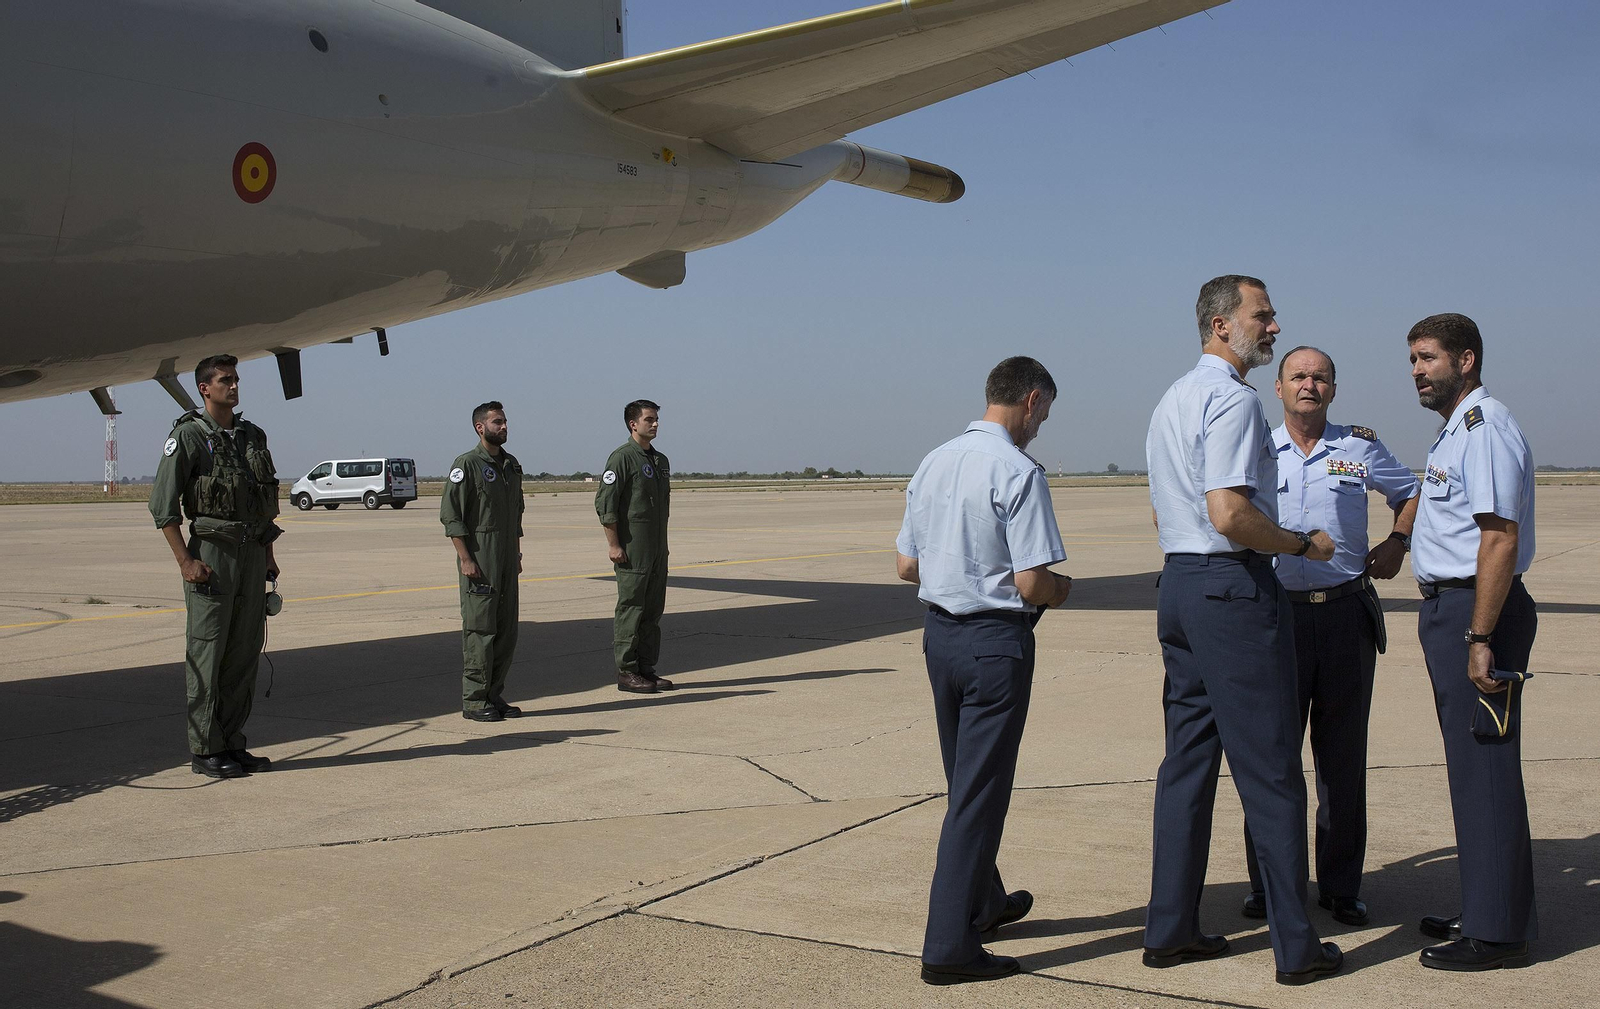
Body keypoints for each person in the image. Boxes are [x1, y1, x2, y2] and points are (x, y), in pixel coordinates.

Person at [1143, 276, 1343, 985]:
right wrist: (1297, 544)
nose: (1274, 326)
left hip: (1181, 584)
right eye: (1263, 316)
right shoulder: (1230, 398)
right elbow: (1229, 512)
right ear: (1223, 325)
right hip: (1229, 586)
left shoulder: (1173, 397)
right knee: (1273, 770)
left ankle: (1169, 927)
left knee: (1188, 763)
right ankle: (1297, 946)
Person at [896, 356, 1072, 986]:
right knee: (978, 798)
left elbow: (907, 567)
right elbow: (1031, 580)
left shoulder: (934, 461)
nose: (1040, 427)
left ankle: (984, 902)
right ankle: (948, 947)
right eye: (1043, 414)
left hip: (939, 639)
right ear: (1029, 400)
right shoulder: (1017, 470)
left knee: (963, 782)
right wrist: (1062, 589)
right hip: (995, 643)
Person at [1236, 346, 1420, 926]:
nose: (1308, 385)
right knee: (1272, 759)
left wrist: (1397, 542)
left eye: (1319, 377)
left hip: (1344, 617)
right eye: (1297, 376)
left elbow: (1411, 491)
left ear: (1333, 390)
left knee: (1342, 759)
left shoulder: (1359, 447)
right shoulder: (1258, 446)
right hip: (1278, 619)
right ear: (1279, 388)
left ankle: (1341, 886)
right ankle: (1269, 885)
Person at [1406, 313, 1538, 971]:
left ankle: (1497, 930)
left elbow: (1499, 537)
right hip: (1456, 607)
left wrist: (1480, 635)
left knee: (1485, 765)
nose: (1417, 370)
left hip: (1478, 609)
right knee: (1469, 767)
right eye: (1413, 359)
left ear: (1466, 359)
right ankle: (1483, 903)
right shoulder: (1456, 430)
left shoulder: (1484, 431)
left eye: (1427, 357)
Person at [149, 354, 282, 779]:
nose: (234, 386)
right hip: (212, 555)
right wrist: (186, 562)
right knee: (207, 653)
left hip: (250, 554)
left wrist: (268, 555)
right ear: (205, 388)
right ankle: (205, 748)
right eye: (225, 380)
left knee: (244, 654)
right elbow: (162, 508)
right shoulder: (188, 437)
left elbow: (264, 506)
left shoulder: (251, 436)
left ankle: (232, 742)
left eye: (236, 379)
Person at [440, 401, 525, 722]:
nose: (504, 427)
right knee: (480, 630)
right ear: (480, 427)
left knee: (506, 631)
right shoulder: (467, 465)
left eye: (505, 422)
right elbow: (451, 516)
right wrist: (465, 559)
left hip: (505, 558)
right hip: (480, 558)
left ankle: (494, 693)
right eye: (497, 422)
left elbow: (516, 513)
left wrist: (516, 553)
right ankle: (474, 700)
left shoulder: (511, 466)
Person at [596, 400, 673, 693]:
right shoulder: (621, 458)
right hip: (632, 547)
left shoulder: (660, 460)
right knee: (631, 608)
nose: (655, 424)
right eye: (649, 419)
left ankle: (646, 668)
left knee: (652, 611)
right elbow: (606, 504)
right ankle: (627, 671)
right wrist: (614, 545)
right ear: (633, 424)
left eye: (656, 420)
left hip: (656, 548)